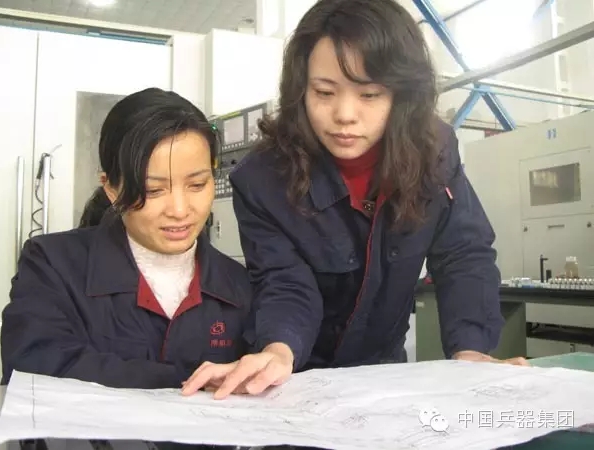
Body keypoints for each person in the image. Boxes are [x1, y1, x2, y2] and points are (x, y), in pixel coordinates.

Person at [181, 0, 527, 400]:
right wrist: (277, 349)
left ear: (402, 95)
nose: (345, 114)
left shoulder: (433, 151)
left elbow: (463, 253)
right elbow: (284, 281)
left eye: (370, 94)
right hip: (295, 379)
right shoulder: (263, 178)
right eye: (324, 92)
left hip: (383, 375)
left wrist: (471, 350)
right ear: (300, 89)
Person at [1, 87, 253, 391]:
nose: (179, 210)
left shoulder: (241, 286)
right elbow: (32, 365)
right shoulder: (51, 265)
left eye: (197, 185)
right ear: (111, 189)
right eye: (153, 190)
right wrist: (188, 382)